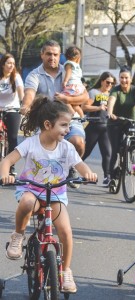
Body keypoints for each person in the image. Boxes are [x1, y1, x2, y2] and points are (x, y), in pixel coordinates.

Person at [0, 96, 97, 293]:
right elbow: (7, 160)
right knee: (27, 203)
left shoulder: (67, 147)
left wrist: (88, 173)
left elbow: (80, 165)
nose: (67, 129)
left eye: (69, 125)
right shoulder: (31, 143)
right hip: (33, 191)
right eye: (63, 125)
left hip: (56, 195)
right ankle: (18, 235)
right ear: (47, 124)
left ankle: (66, 270)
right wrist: (5, 176)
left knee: (66, 232)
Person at [21, 40, 89, 188]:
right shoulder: (34, 75)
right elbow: (29, 94)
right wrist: (26, 106)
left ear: (60, 56)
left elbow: (85, 96)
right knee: (40, 156)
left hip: (69, 119)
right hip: (45, 122)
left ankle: (71, 167)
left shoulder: (69, 71)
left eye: (55, 54)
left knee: (78, 142)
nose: (52, 57)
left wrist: (67, 99)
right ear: (42, 55)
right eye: (49, 54)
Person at [82, 71, 116, 186]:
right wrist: (98, 107)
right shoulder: (94, 92)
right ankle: (70, 170)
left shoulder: (113, 94)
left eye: (112, 83)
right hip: (94, 125)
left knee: (107, 153)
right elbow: (84, 107)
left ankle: (107, 177)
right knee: (85, 152)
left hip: (107, 128)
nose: (110, 85)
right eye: (108, 82)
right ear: (102, 81)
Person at [0, 53, 24, 175]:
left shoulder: (16, 77)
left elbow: (21, 91)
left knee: (13, 138)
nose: (11, 66)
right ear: (3, 64)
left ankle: (11, 165)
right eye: (9, 63)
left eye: (13, 64)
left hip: (12, 109)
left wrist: (23, 104)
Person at [62, 45, 85, 118]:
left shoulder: (68, 63)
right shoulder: (78, 66)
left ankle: (74, 115)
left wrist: (65, 81)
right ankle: (82, 117)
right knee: (75, 105)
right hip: (80, 88)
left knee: (63, 100)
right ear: (78, 58)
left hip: (72, 86)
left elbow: (69, 72)